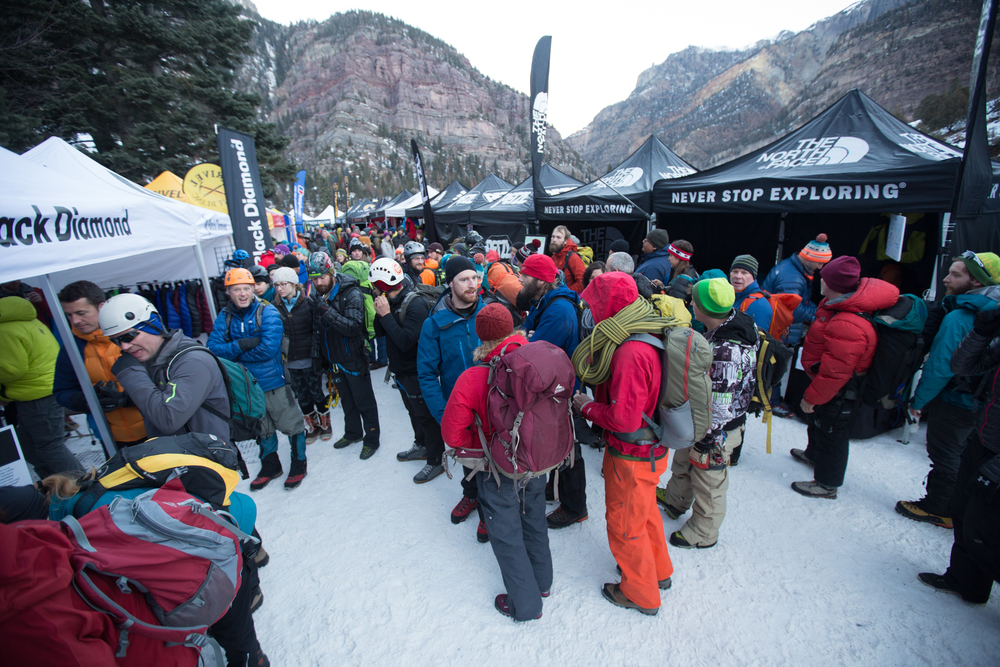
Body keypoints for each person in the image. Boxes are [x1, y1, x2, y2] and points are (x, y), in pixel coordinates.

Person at [441, 304, 552, 621]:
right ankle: (542, 583)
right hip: (536, 460)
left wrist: (486, 447)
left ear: (481, 338)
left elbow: (452, 434)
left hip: (498, 470)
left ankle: (526, 605)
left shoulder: (473, 377)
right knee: (534, 520)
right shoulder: (536, 361)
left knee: (506, 535)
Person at [572, 272, 674, 615]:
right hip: (651, 450)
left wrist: (585, 405)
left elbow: (624, 420)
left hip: (632, 452)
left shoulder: (630, 351)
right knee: (645, 513)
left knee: (624, 524)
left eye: (594, 303)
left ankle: (639, 593)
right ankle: (659, 571)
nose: (589, 309)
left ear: (609, 305)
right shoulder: (649, 328)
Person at [897, 251, 1000, 527]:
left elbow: (942, 366)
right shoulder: (993, 311)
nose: (946, 279)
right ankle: (962, 509)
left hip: (957, 399)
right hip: (984, 403)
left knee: (945, 453)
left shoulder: (961, 317)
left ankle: (939, 507)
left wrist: (919, 400)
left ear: (977, 282)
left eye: (956, 274)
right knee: (967, 456)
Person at [659, 278, 758, 549]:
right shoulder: (736, 323)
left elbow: (719, 402)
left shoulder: (726, 350)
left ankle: (704, 532)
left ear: (704, 308)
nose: (690, 303)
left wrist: (708, 439)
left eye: (695, 300)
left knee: (709, 478)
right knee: (683, 460)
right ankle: (676, 499)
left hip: (716, 430)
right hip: (699, 421)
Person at [790, 256, 899, 498]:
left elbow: (836, 371)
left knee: (832, 433)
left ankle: (827, 484)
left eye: (824, 277)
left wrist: (813, 396)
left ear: (832, 283)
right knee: (818, 423)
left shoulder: (848, 321)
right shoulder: (837, 304)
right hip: (828, 385)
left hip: (838, 390)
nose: (820, 280)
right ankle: (813, 455)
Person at [918, 308, 1000, 603]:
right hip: (983, 439)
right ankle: (967, 582)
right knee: (965, 513)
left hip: (996, 457)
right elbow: (963, 365)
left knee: (989, 530)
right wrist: (982, 333)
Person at [207, 268, 308, 491]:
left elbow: (268, 348)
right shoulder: (225, 316)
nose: (242, 294)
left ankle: (299, 462)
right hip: (245, 386)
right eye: (236, 290)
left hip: (274, 382)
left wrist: (235, 354)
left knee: (290, 423)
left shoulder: (268, 311)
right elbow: (213, 349)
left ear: (253, 289)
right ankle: (270, 465)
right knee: (262, 427)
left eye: (246, 288)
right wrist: (242, 345)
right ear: (228, 292)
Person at [417, 255, 489, 540]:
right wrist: (443, 414)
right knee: (467, 457)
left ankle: (488, 510)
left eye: (475, 277)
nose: (472, 284)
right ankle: (470, 496)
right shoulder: (434, 324)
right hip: (459, 408)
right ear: (449, 284)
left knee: (491, 462)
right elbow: (426, 374)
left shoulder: (491, 314)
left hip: (492, 406)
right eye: (464, 279)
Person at [99, 294, 232, 445]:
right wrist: (124, 399)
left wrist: (130, 374)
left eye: (129, 337)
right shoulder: (151, 359)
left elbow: (169, 419)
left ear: (152, 324)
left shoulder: (193, 361)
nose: (124, 347)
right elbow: (160, 396)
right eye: (116, 341)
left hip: (207, 461)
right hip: (179, 458)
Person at [518, 253, 587, 529]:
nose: (520, 280)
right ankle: (556, 488)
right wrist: (526, 337)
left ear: (541, 280)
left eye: (524, 276)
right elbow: (527, 335)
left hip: (561, 391)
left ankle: (574, 506)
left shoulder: (558, 310)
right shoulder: (542, 301)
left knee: (568, 447)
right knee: (555, 443)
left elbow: (534, 355)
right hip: (553, 387)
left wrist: (526, 339)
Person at [369, 258, 444, 484]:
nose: (372, 289)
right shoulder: (392, 300)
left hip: (416, 373)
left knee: (426, 417)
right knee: (413, 413)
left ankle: (435, 460)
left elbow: (406, 342)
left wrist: (385, 314)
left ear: (382, 284)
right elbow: (381, 333)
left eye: (374, 285)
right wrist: (382, 311)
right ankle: (421, 445)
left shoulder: (415, 304)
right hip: (401, 373)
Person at [53, 281, 147, 448]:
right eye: (69, 315)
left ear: (101, 307)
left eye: (81, 313)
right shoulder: (71, 348)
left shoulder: (134, 336)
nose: (75, 320)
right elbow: (62, 391)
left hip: (154, 429)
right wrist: (86, 400)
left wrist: (126, 399)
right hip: (111, 438)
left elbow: (166, 381)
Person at [0, 296, 83, 478]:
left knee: (50, 446)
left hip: (36, 394)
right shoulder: (29, 322)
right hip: (43, 389)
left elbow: (12, 369)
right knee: (28, 446)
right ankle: (54, 487)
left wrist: (4, 394)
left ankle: (83, 486)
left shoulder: (5, 330)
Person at [309, 251, 381, 460]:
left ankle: (372, 439)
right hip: (334, 360)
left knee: (364, 401)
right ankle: (353, 432)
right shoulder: (318, 295)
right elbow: (317, 330)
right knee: (347, 401)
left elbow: (353, 327)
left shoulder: (352, 293)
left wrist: (325, 311)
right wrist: (317, 357)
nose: (319, 282)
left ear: (331, 272)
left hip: (354, 357)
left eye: (322, 277)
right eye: (314, 279)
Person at [760, 234, 833, 417]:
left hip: (779, 326)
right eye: (820, 263)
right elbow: (795, 310)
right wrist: (819, 313)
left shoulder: (795, 269)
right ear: (810, 258)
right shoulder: (791, 277)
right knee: (775, 363)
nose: (820, 268)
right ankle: (772, 402)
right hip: (778, 328)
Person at [271, 267, 330, 443]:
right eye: (277, 285)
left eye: (284, 284)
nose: (280, 288)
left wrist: (319, 356)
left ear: (294, 284)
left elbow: (317, 330)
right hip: (290, 360)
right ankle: (312, 426)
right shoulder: (275, 307)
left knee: (317, 392)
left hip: (309, 358)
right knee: (302, 395)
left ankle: (325, 424)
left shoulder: (308, 303)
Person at [730, 254, 773, 332]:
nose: (738, 276)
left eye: (744, 273)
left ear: (753, 276)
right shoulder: (730, 295)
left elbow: (758, 340)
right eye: (735, 271)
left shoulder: (758, 305)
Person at [549, 225, 587, 293]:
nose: (554, 240)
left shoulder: (572, 257)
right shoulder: (554, 257)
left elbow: (582, 282)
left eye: (558, 237)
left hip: (566, 299)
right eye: (553, 236)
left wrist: (565, 293)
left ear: (565, 241)